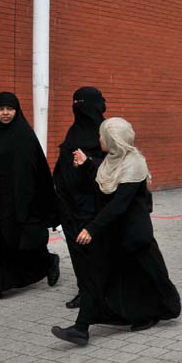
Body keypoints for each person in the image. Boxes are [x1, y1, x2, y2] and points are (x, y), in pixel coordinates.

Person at [51, 118, 180, 346]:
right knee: (94, 276)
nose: (99, 139)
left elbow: (118, 203)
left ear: (114, 140)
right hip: (111, 234)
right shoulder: (111, 160)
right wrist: (87, 163)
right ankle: (81, 329)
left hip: (133, 236)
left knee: (151, 277)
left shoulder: (135, 164)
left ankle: (156, 311)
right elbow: (105, 179)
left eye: (102, 136)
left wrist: (91, 228)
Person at [0, 92, 60, 298]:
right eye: (0, 109)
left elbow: (39, 171)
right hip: (0, 199)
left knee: (20, 242)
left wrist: (42, 205)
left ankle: (49, 261)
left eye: (10, 109)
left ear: (17, 110)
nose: (5, 113)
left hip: (20, 200)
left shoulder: (25, 135)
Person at [53, 87, 106, 309]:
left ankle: (101, 291)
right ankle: (84, 290)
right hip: (69, 204)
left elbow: (112, 168)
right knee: (76, 249)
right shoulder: (74, 132)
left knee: (96, 250)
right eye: (75, 103)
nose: (79, 108)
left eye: (83, 103)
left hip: (94, 205)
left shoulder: (106, 134)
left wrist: (89, 162)